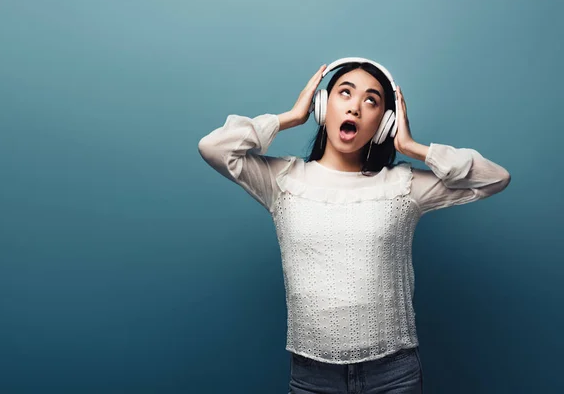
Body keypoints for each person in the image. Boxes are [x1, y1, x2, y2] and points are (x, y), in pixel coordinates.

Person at [197, 58, 511, 394]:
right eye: (345, 93)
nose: (356, 108)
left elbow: (495, 178)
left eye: (371, 100)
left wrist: (413, 148)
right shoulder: (283, 181)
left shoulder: (403, 186)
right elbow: (213, 147)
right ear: (322, 106)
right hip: (312, 377)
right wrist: (290, 117)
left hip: (394, 375)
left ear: (385, 121)